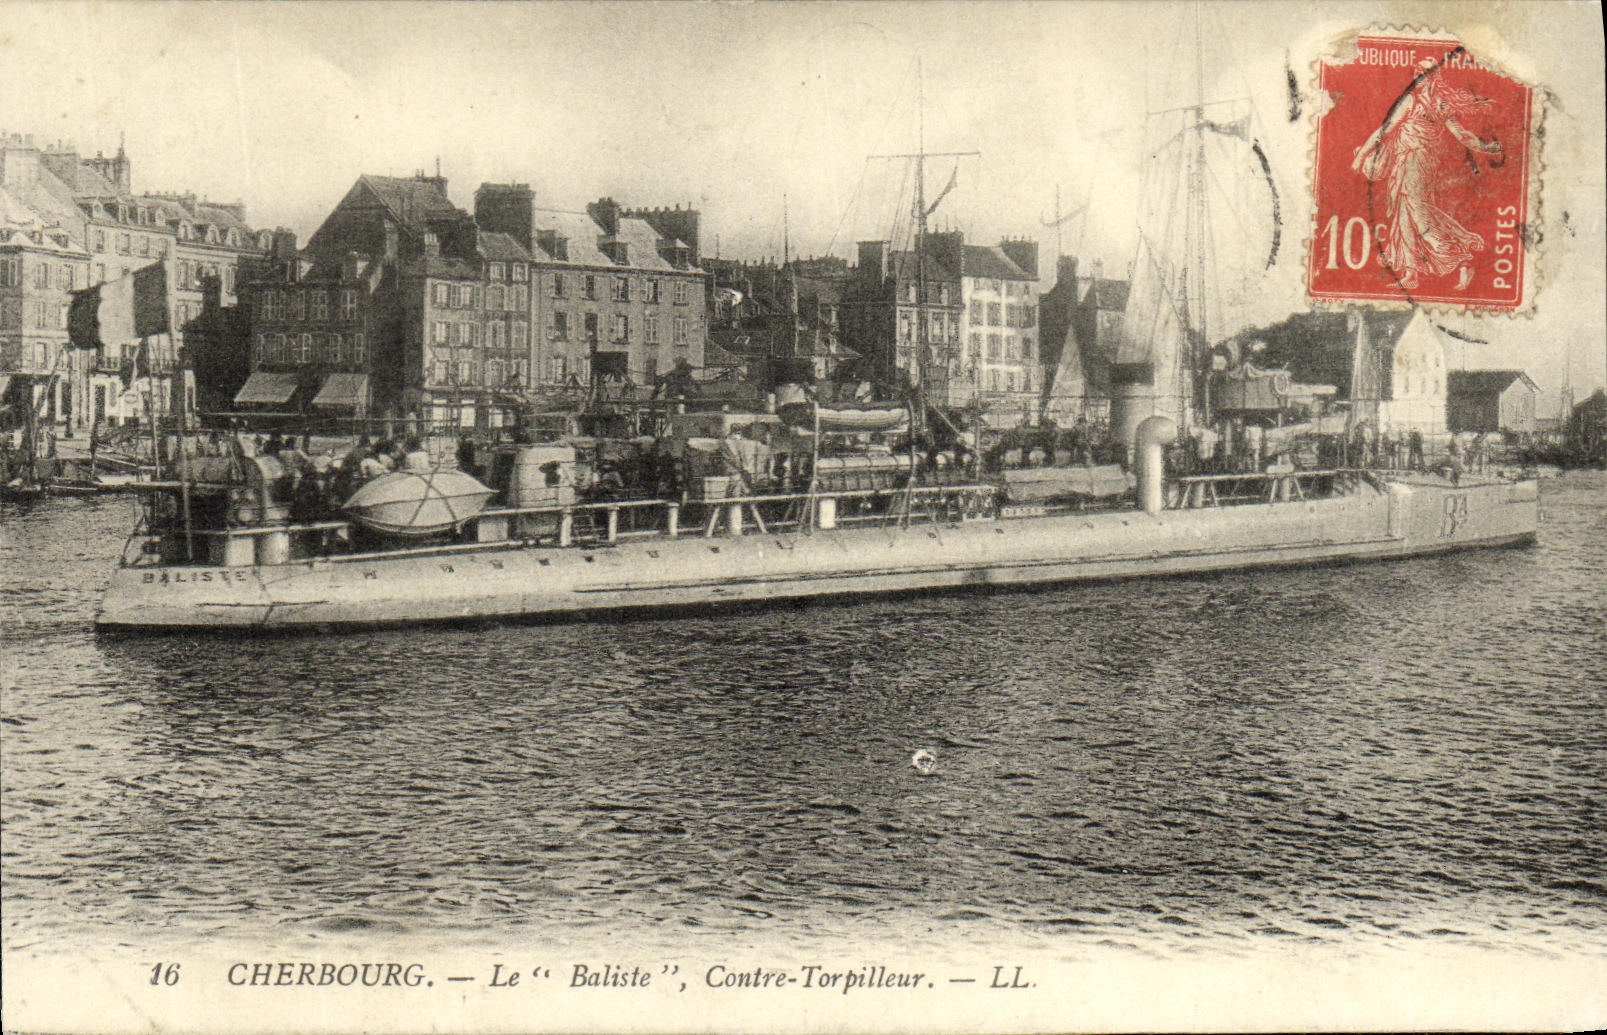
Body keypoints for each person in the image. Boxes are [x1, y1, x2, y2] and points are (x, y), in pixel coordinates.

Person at [1351, 59, 1504, 292]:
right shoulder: (1437, 103)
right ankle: (1411, 272)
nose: (1419, 79)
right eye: (1417, 74)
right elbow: (1389, 128)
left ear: (1432, 77)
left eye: (1423, 74)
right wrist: (1487, 148)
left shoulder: (1416, 101)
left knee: (1419, 216)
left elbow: (1387, 129)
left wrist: (1361, 154)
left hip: (1414, 162)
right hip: (1412, 163)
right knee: (1406, 213)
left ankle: (1460, 260)